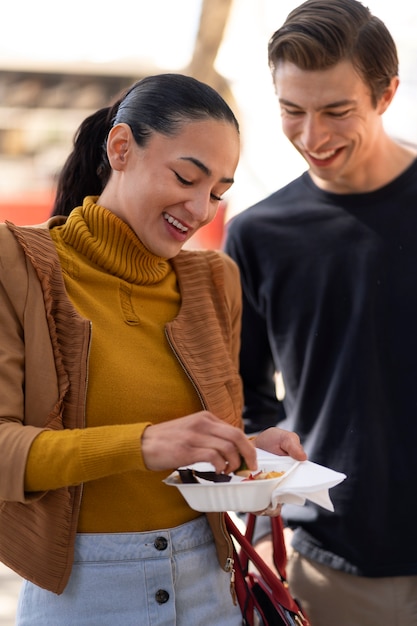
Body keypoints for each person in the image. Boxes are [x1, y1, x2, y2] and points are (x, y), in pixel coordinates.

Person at [0, 73, 307, 626]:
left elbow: (197, 458)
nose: (201, 209)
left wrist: (251, 455)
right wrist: (144, 444)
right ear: (120, 148)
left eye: (217, 193)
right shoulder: (18, 266)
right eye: (186, 177)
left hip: (211, 588)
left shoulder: (215, 281)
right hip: (83, 597)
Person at [224, 1, 417, 624]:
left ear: (387, 93)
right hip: (334, 562)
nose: (312, 137)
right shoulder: (257, 235)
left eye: (336, 111)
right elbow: (245, 397)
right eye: (292, 111)